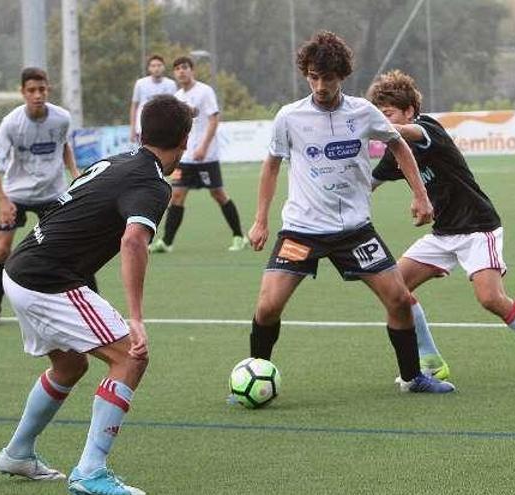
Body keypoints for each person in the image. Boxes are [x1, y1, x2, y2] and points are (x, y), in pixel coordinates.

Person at [0, 94, 192, 495]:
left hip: (21, 267)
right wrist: (135, 319)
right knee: (129, 357)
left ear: (140, 131)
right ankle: (90, 472)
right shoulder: (153, 184)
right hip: (48, 278)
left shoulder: (119, 161)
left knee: (70, 366)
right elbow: (133, 241)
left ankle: (17, 452)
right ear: (185, 140)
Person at [246, 31, 454, 394]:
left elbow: (399, 145)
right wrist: (261, 219)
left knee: (399, 299)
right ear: (306, 74)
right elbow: (271, 166)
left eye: (327, 77)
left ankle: (412, 378)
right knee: (267, 307)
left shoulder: (363, 112)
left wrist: (420, 196)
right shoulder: (289, 117)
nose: (320, 85)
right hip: (302, 230)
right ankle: (254, 375)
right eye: (313, 76)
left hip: (354, 230)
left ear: (341, 75)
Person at [367, 69, 515, 384]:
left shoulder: (427, 129)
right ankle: (431, 361)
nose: (384, 121)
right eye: (379, 115)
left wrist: (378, 126)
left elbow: (407, 134)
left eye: (389, 114)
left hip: (478, 227)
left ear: (409, 111)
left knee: (490, 298)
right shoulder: (394, 154)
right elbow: (369, 183)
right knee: (396, 291)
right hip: (442, 234)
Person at [0, 67, 85, 328]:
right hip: (16, 194)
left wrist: (74, 172)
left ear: (48, 90)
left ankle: (88, 306)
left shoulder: (61, 118)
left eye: (42, 89)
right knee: (2, 249)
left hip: (52, 193)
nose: (37, 95)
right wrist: (2, 201)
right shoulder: (11, 123)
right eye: (31, 90)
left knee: (70, 249)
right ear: (22, 92)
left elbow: (64, 146)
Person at [148, 56, 247, 253]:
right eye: (177, 69)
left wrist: (203, 146)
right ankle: (167, 242)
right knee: (176, 195)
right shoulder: (177, 96)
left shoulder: (205, 91)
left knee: (218, 194)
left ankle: (239, 236)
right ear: (174, 73)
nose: (181, 71)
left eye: (184, 68)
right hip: (185, 158)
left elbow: (213, 120)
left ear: (192, 70)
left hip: (206, 156)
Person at [129, 54, 178, 143]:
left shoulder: (171, 84)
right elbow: (134, 106)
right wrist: (133, 128)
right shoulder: (140, 83)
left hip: (164, 128)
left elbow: (175, 107)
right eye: (153, 66)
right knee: (144, 154)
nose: (156, 68)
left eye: (159, 65)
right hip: (143, 127)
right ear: (149, 68)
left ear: (163, 67)